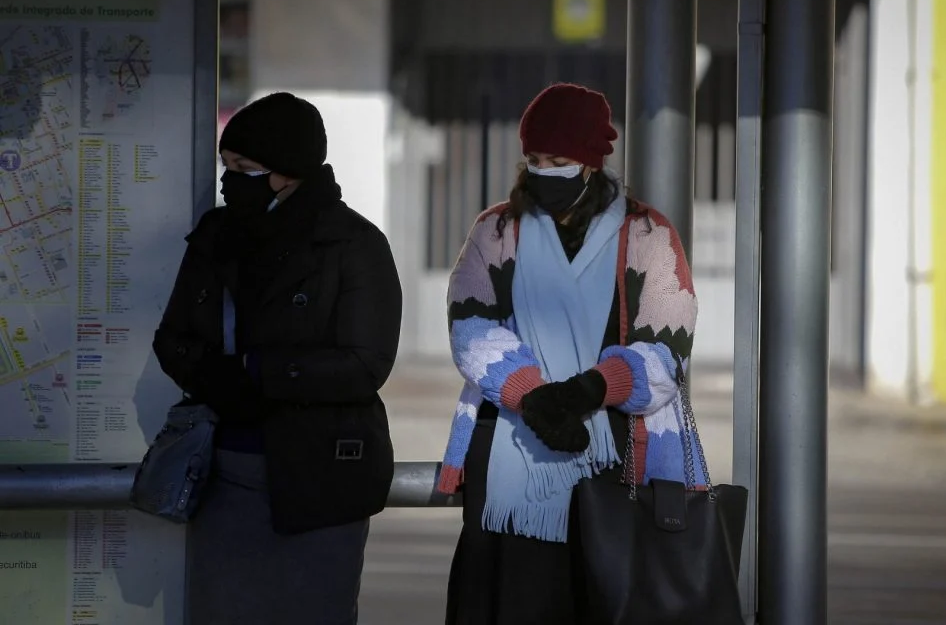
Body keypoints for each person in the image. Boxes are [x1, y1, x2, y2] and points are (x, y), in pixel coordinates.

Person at [437, 82, 704, 624]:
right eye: (533, 159)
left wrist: (590, 389)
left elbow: (667, 347)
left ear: (590, 162)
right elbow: (469, 323)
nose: (542, 171)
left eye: (557, 160)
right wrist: (534, 396)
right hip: (512, 450)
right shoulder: (497, 230)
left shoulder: (648, 235)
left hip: (618, 460)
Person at [152, 92, 402, 625]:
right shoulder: (217, 236)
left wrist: (260, 374)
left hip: (322, 483)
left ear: (286, 172)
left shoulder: (353, 244)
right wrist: (214, 378)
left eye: (243, 168)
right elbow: (173, 337)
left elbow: (366, 363)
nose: (228, 181)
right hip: (223, 476)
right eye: (227, 166)